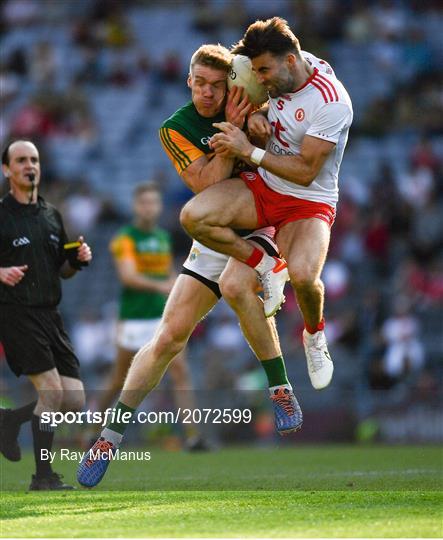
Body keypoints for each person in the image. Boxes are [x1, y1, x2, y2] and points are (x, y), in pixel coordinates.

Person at [77, 44, 302, 488]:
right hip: (215, 228)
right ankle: (109, 436)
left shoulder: (252, 99)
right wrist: (234, 131)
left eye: (216, 86)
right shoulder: (175, 127)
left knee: (239, 288)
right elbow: (205, 186)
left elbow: (279, 125)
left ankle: (280, 388)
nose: (206, 93)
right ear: (188, 81)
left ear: (230, 84)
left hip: (262, 219)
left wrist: (252, 123)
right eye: (199, 83)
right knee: (167, 338)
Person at [180, 18, 353, 391]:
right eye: (255, 70)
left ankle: (314, 335)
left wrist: (250, 151)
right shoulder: (282, 67)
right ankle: (266, 265)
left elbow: (306, 171)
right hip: (264, 189)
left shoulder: (332, 101)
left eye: (264, 71)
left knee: (306, 278)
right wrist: (257, 115)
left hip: (308, 202)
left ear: (291, 61)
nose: (259, 79)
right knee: (193, 217)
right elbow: (263, 99)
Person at [0, 139, 92, 490]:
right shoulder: (2, 215)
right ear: (7, 169)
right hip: (16, 313)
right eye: (21, 160)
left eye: (34, 159)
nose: (29, 165)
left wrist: (77, 259)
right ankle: (43, 477)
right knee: (52, 394)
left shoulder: (51, 215)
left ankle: (10, 421)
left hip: (51, 314)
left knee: (73, 400)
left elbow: (62, 270)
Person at [96, 181, 207, 449]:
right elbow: (128, 276)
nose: (149, 207)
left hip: (161, 315)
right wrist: (163, 285)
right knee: (119, 378)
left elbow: (170, 273)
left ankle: (193, 437)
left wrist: (177, 287)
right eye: (144, 202)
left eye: (153, 202)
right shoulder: (125, 238)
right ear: (136, 206)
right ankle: (91, 427)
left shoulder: (162, 238)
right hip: (134, 315)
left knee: (181, 371)